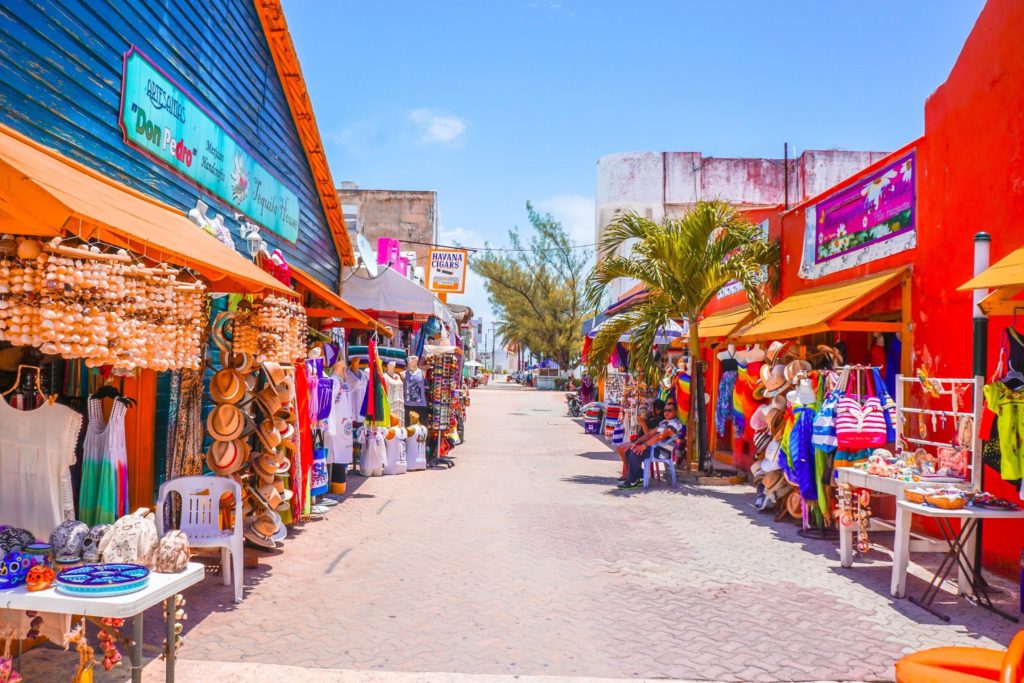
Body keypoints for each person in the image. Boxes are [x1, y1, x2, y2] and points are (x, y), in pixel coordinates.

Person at [618, 401, 682, 490]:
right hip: (654, 448)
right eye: (665, 410)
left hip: (661, 451)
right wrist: (637, 442)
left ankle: (632, 481)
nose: (666, 412)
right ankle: (639, 477)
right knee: (629, 451)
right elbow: (650, 434)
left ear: (676, 411)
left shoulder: (675, 423)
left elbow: (661, 436)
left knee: (635, 453)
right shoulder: (664, 422)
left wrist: (644, 445)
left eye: (669, 410)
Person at [615, 399, 664, 480]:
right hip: (640, 439)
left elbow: (648, 434)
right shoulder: (652, 416)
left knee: (624, 450)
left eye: (652, 407)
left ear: (658, 409)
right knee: (619, 448)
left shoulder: (659, 421)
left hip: (645, 442)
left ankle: (630, 472)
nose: (651, 409)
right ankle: (628, 471)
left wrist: (643, 423)